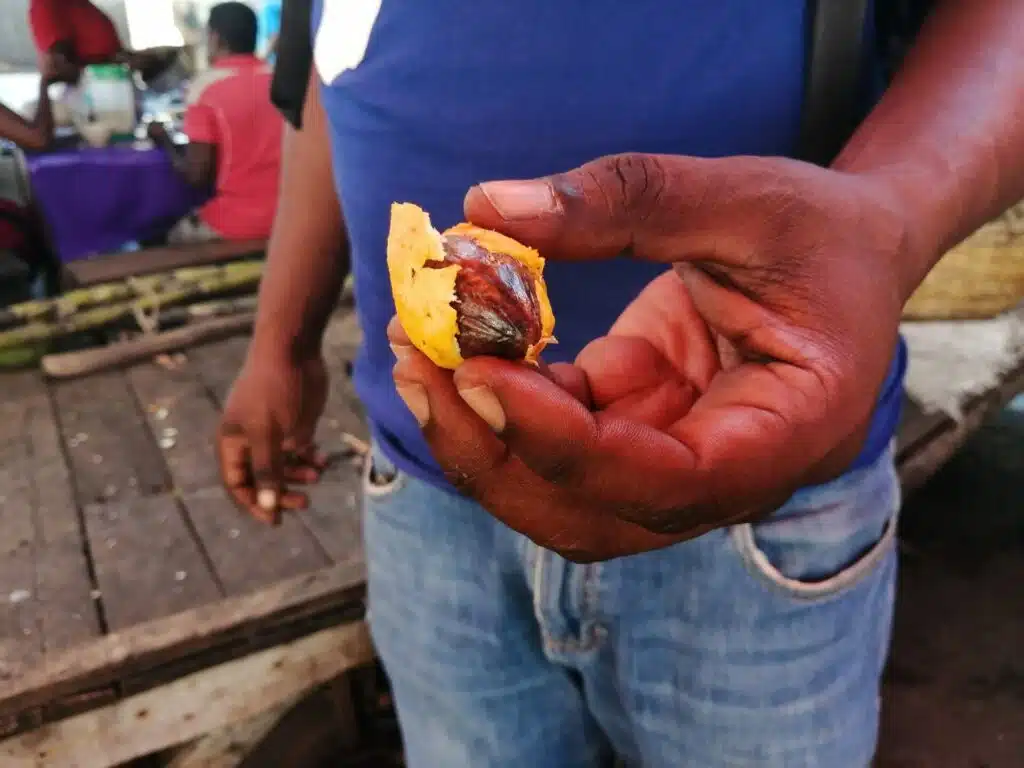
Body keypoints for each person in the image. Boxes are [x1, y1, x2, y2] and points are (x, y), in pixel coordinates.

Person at [216, 0, 1024, 765]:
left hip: (759, 479)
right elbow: (333, 65)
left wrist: (891, 214)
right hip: (423, 479)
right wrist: (280, 344)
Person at [149, 2, 283, 244]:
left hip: (237, 223)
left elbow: (197, 175)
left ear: (215, 38)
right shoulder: (278, 79)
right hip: (288, 215)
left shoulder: (206, 87)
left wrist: (163, 140)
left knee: (165, 236)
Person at [28, 0, 177, 84]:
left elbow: (102, 52)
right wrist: (119, 65)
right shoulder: (48, 4)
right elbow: (58, 68)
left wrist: (134, 58)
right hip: (92, 108)